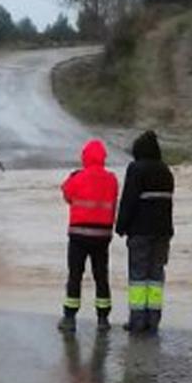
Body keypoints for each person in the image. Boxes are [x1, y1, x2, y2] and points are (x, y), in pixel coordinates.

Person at [115, 130, 174, 334]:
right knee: (156, 277)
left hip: (140, 232)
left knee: (138, 277)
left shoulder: (136, 169)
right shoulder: (166, 171)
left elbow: (128, 200)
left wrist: (120, 226)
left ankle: (137, 322)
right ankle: (153, 322)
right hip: (163, 233)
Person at [58, 139, 119, 333]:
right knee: (101, 276)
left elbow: (67, 195)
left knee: (75, 275)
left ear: (84, 157)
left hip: (78, 235)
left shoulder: (77, 177)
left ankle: (69, 318)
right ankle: (103, 319)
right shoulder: (112, 179)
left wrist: (72, 177)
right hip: (102, 235)